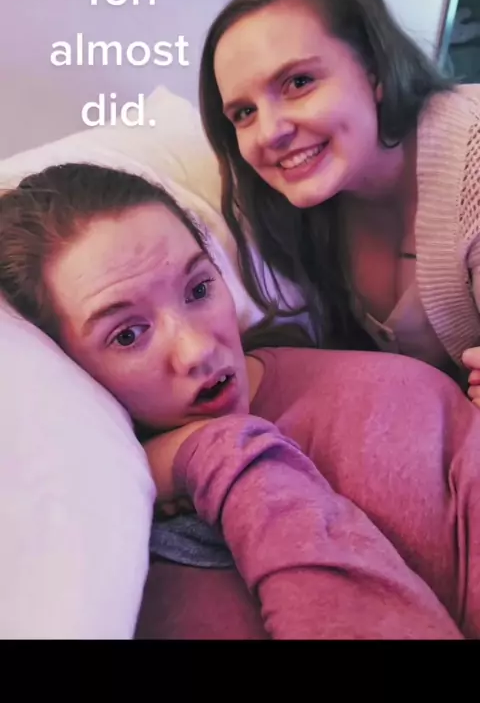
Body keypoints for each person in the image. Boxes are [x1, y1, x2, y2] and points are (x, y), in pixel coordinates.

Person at [1, 163, 479, 640]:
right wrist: (225, 455)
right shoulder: (110, 580)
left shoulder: (401, 399)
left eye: (199, 289)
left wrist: (219, 449)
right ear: (61, 366)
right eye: (128, 334)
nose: (198, 349)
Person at [198, 0, 480, 404]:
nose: (269, 133)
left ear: (375, 70)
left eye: (298, 82)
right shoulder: (287, 210)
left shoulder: (473, 160)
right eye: (244, 112)